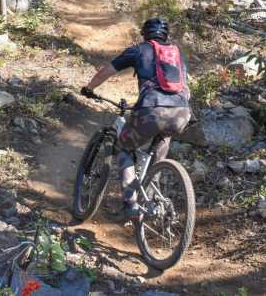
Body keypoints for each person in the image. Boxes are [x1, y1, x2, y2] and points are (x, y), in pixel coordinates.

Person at [81, 17, 191, 222]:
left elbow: (107, 70)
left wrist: (89, 89)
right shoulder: (176, 55)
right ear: (165, 36)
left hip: (151, 110)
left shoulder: (139, 50)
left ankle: (131, 205)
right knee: (163, 139)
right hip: (181, 111)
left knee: (124, 147)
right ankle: (152, 193)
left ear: (145, 34)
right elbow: (185, 86)